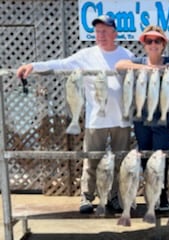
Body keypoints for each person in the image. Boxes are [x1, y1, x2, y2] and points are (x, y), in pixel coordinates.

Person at [16, 15, 135, 214]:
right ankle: (86, 197)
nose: (101, 35)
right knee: (91, 160)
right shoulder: (86, 55)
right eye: (98, 31)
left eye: (105, 31)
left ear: (115, 33)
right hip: (96, 119)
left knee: (119, 162)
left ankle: (114, 197)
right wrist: (34, 66)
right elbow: (61, 64)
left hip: (122, 120)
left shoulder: (127, 55)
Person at [116, 25, 169, 210]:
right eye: (149, 41)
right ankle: (149, 192)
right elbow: (119, 65)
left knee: (162, 156)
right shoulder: (138, 61)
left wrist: (165, 67)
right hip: (141, 117)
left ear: (163, 44)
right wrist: (146, 67)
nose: (153, 44)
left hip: (164, 118)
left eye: (157, 41)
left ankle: (164, 195)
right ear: (144, 44)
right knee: (144, 155)